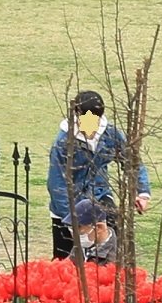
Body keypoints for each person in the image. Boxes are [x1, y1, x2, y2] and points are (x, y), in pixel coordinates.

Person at [47, 90, 142, 265]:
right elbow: (56, 184)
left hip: (99, 198)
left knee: (110, 256)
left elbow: (132, 163)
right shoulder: (63, 142)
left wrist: (141, 191)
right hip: (67, 207)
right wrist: (71, 218)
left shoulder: (110, 134)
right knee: (64, 263)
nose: (91, 126)